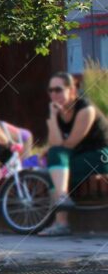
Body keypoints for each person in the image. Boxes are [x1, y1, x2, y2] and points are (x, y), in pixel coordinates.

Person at [38, 72, 108, 236]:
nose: (54, 94)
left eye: (59, 90)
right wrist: (53, 119)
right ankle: (62, 206)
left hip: (100, 155)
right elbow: (55, 145)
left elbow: (70, 144)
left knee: (55, 169)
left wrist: (53, 148)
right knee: (55, 165)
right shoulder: (57, 114)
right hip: (78, 158)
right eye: (51, 90)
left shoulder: (85, 110)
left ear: (72, 91)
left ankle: (61, 222)